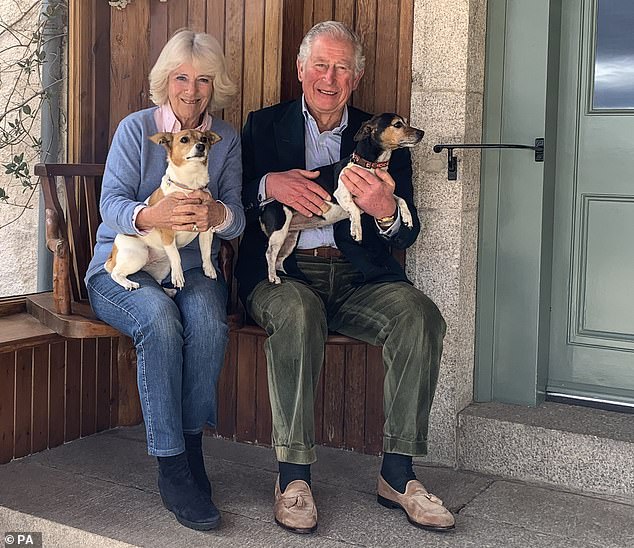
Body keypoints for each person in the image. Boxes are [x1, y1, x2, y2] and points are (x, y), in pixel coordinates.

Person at [236, 21, 454, 534]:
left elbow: (406, 233)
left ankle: (398, 475)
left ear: (355, 78)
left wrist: (384, 209)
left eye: (341, 69)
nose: (328, 78)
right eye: (320, 65)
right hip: (285, 275)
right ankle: (292, 478)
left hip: (360, 280)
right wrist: (270, 183)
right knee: (296, 310)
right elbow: (231, 198)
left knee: (420, 316)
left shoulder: (381, 135)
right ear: (300, 70)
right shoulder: (263, 126)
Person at [85, 29, 245, 531]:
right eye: (181, 77)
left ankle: (192, 446)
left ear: (215, 85)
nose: (192, 90)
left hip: (191, 268)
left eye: (203, 79)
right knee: (158, 319)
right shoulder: (136, 130)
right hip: (124, 264)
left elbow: (239, 218)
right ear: (165, 81)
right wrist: (151, 215)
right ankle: (172, 464)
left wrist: (218, 212)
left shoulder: (227, 140)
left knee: (207, 319)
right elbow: (110, 204)